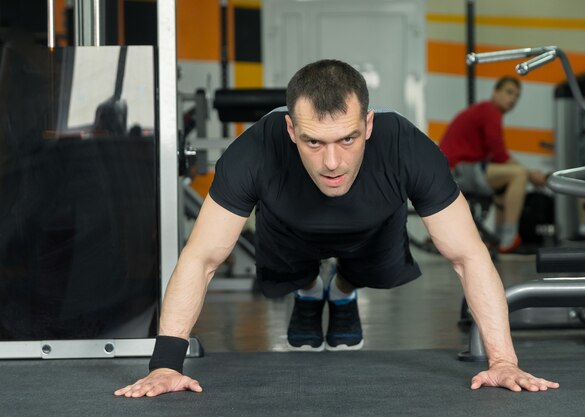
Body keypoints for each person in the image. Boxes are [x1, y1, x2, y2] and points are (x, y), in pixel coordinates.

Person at [115, 60, 559, 398]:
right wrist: (165, 364)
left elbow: (468, 254)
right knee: (289, 273)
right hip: (287, 234)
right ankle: (310, 288)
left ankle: (342, 287)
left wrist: (503, 360)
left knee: (376, 269)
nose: (332, 162)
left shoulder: (407, 146)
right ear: (290, 129)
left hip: (373, 233)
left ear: (369, 123)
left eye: (348, 139)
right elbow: (201, 257)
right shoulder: (254, 150)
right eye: (314, 141)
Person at [438, 76, 547, 253]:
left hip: (455, 170)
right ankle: (508, 240)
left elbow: (497, 157)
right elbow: (500, 154)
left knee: (510, 179)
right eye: (509, 92)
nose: (512, 99)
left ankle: (498, 239)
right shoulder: (490, 111)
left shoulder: (485, 111)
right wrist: (530, 174)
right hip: (456, 170)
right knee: (518, 175)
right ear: (495, 92)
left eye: (517, 96)